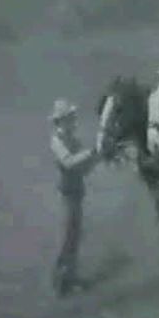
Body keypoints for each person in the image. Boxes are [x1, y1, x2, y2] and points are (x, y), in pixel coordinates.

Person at [49, 99, 101, 296]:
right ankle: (61, 279)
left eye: (72, 118)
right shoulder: (56, 141)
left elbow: (83, 168)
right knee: (68, 237)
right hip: (67, 194)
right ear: (60, 121)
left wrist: (97, 157)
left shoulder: (74, 140)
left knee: (75, 236)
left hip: (77, 192)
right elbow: (69, 162)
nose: (73, 121)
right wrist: (91, 152)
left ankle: (70, 277)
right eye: (69, 118)